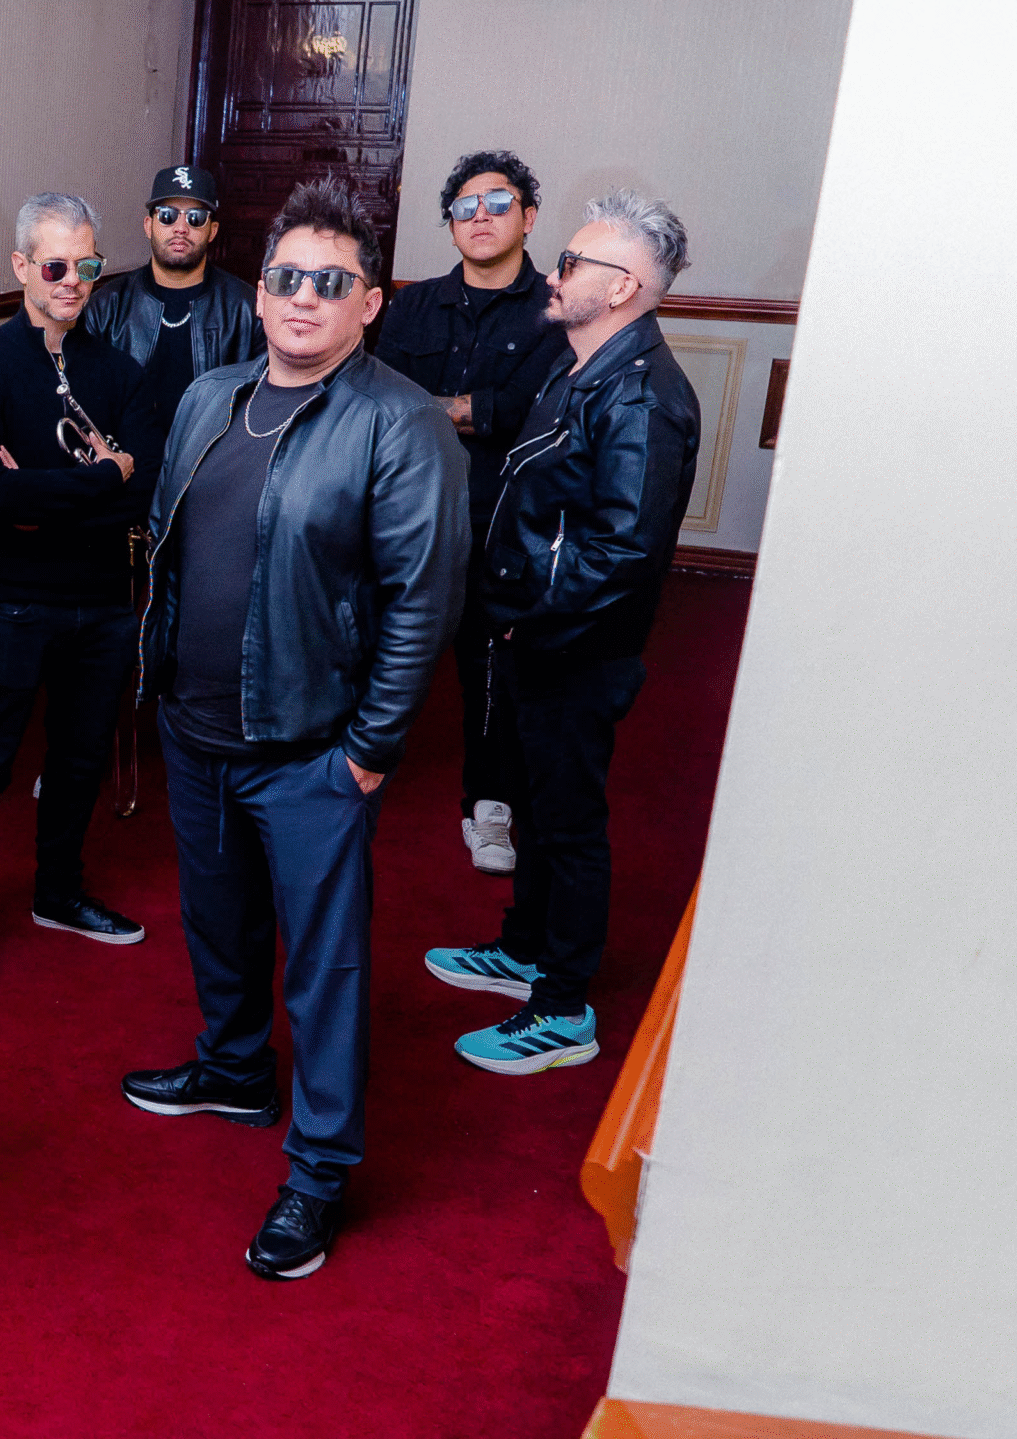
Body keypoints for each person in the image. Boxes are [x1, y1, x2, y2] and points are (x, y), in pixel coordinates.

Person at [121, 177, 465, 1279]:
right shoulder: (209, 397)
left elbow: (421, 602)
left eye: (331, 281)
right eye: (286, 277)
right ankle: (232, 1071)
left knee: (325, 970)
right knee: (217, 923)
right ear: (259, 294)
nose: (304, 297)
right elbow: (168, 547)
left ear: (370, 303)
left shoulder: (401, 423)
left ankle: (318, 1170)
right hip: (195, 731)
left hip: (312, 750)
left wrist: (367, 751)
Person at [423, 190, 699, 1076]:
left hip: (575, 650)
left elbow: (621, 552)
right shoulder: (579, 364)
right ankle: (525, 949)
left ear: (621, 288)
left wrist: (523, 616)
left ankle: (563, 1007)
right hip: (534, 639)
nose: (555, 272)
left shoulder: (644, 397)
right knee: (536, 807)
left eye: (574, 263)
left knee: (569, 825)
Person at [0, 193, 160, 989]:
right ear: (22, 266)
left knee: (80, 754)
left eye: (87, 265)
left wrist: (48, 492)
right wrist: (103, 474)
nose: (73, 280)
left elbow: (142, 493)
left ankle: (58, 890)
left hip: (103, 598)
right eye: (56, 265)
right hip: (14, 597)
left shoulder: (121, 371)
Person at [375, 151, 573, 877]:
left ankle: (490, 805)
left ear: (529, 216)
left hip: (502, 522)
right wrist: (474, 411)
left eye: (498, 202)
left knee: (491, 670)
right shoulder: (413, 305)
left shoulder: (559, 307)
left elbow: (534, 414)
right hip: (404, 515)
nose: (480, 216)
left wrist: (441, 410)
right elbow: (379, 400)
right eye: (465, 206)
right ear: (450, 223)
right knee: (370, 644)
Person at [82, 163, 263, 438]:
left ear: (212, 230)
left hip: (211, 458)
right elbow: (86, 401)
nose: (181, 228)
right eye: (167, 216)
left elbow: (261, 406)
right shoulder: (106, 306)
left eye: (195, 218)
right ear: (149, 226)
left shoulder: (247, 308)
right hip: (126, 459)